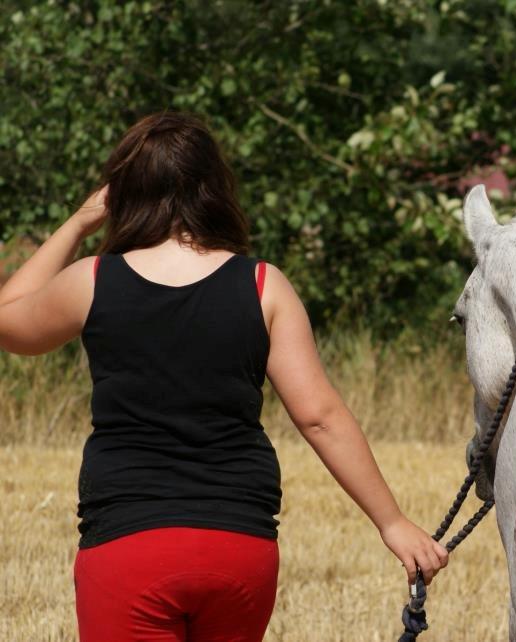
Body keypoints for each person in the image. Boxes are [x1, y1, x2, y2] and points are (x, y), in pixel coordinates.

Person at [0, 111, 448, 641]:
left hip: (128, 544)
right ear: (215, 188)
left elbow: (8, 319)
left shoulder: (93, 281)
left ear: (124, 192)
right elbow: (320, 417)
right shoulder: (263, 285)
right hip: (239, 549)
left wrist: (79, 222)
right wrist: (393, 523)